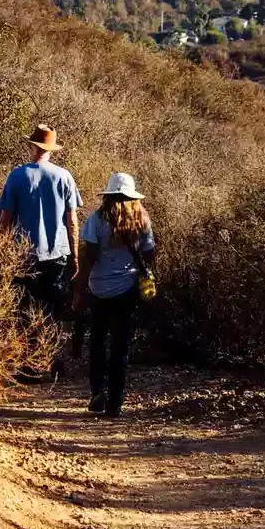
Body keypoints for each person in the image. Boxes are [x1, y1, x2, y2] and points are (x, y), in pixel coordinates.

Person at [73, 172, 157, 418]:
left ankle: (97, 391)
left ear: (108, 195)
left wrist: (79, 290)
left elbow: (89, 257)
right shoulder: (142, 219)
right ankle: (115, 402)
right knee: (121, 346)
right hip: (128, 289)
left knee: (98, 341)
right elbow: (150, 254)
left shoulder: (96, 220)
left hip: (98, 288)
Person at [0, 124, 82, 329]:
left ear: (32, 146)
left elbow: (4, 220)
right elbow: (72, 222)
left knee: (24, 313)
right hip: (57, 254)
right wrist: (75, 254)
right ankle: (50, 357)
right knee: (52, 312)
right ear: (51, 150)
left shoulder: (17, 176)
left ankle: (27, 356)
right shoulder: (64, 177)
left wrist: (0, 252)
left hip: (24, 255)